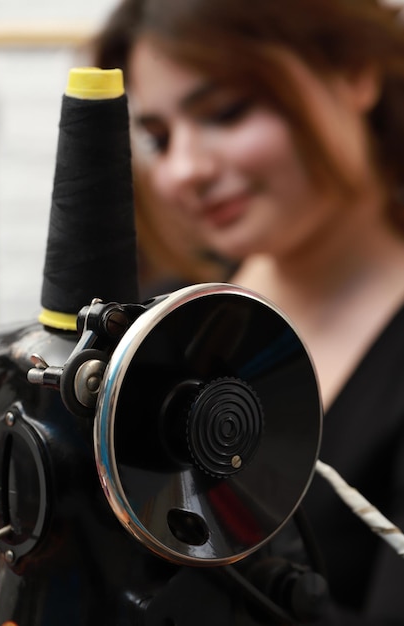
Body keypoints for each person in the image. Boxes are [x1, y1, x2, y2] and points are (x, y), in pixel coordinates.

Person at [91, 0, 404, 623]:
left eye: (226, 113)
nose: (183, 171)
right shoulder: (168, 315)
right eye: (158, 137)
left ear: (355, 72)